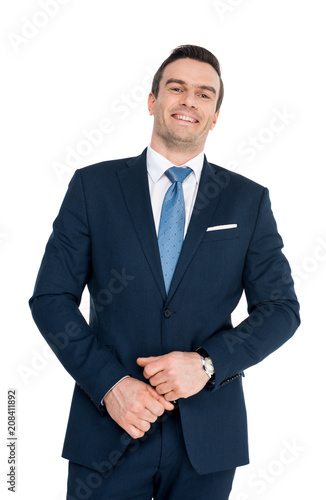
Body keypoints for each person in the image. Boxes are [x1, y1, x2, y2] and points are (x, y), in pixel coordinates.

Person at [29, 45, 300, 500]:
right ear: (153, 100)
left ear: (215, 116)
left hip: (208, 439)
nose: (189, 100)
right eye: (176, 88)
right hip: (107, 429)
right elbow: (51, 299)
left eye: (204, 94)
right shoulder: (93, 187)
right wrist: (110, 384)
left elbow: (281, 309)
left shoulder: (247, 201)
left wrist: (207, 363)